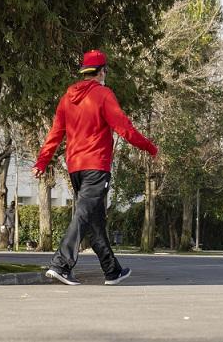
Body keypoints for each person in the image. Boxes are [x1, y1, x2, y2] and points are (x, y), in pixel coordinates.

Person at [33, 50, 158, 285]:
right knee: (84, 214)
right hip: (96, 166)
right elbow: (125, 128)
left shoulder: (67, 97)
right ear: (101, 71)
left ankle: (112, 270)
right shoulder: (103, 94)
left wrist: (42, 161)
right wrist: (150, 148)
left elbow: (55, 134)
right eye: (105, 71)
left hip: (75, 167)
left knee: (95, 219)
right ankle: (61, 264)